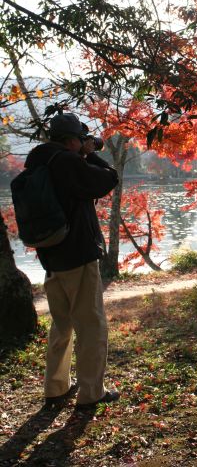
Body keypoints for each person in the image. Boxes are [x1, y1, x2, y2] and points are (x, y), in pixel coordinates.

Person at [24, 112, 119, 409]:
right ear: (71, 140)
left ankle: (55, 386)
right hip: (77, 253)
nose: (85, 143)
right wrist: (91, 156)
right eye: (81, 138)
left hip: (50, 255)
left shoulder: (38, 160)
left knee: (62, 323)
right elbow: (108, 180)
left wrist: (83, 154)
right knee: (91, 324)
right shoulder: (67, 161)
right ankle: (91, 392)